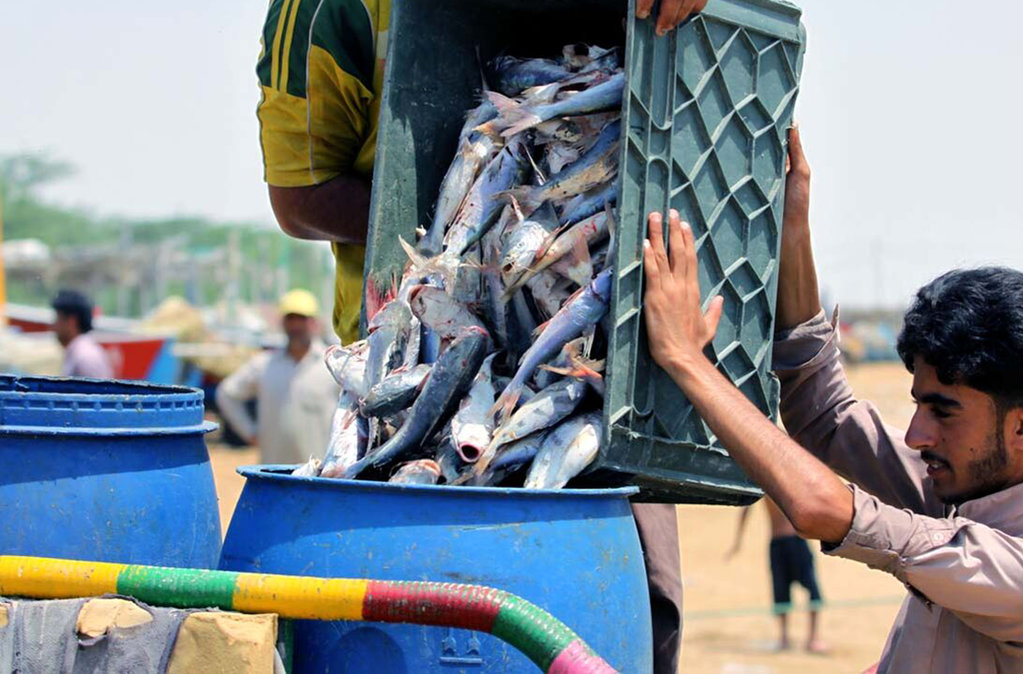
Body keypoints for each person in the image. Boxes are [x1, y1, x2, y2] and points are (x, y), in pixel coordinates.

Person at [255, 2, 706, 670]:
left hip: (608, 377)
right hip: (416, 364)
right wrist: (465, 236)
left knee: (644, 614)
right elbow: (301, 195)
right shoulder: (330, 9)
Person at [639, 128, 1023, 672]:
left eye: (943, 412)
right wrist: (791, 224)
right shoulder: (960, 489)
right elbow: (825, 416)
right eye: (920, 406)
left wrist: (686, 360)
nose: (915, 436)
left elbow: (822, 507)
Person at [217, 290, 339, 466]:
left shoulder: (332, 366)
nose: (296, 327)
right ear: (283, 323)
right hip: (274, 475)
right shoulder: (264, 365)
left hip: (321, 477)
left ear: (314, 323)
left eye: (302, 320)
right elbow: (227, 393)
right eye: (291, 320)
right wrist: (249, 431)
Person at [728, 497, 828, 654]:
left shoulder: (787, 479)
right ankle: (784, 637)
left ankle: (812, 637)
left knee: (812, 590)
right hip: (780, 542)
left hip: (795, 540)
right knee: (781, 592)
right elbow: (746, 507)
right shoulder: (764, 483)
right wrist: (737, 541)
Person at [51, 289, 114, 379]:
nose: (54, 326)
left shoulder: (84, 357)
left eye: (58, 319)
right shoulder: (79, 351)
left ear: (71, 322)